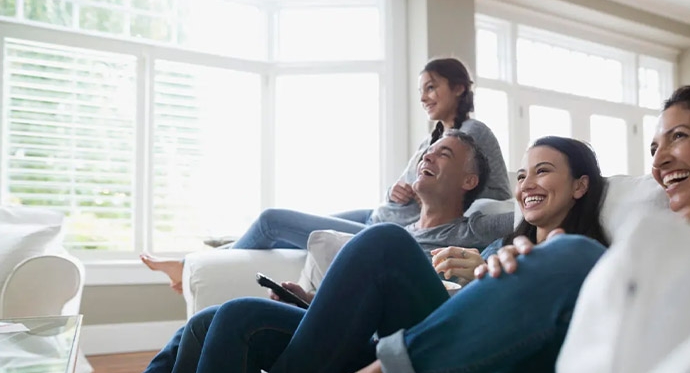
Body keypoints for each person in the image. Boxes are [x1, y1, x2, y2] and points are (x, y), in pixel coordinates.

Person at [224, 80, 690, 373]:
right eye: (653, 147)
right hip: (536, 357)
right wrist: (514, 274)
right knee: (562, 256)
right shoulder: (641, 234)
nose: (661, 158)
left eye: (680, 138)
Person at [138, 136, 607, 373]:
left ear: (581, 185)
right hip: (420, 346)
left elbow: (553, 330)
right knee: (238, 317)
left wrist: (486, 274)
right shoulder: (496, 245)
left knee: (384, 244)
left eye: (543, 172)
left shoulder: (595, 260)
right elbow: (446, 313)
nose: (527, 184)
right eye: (523, 175)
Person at [64, 129, 511, 373]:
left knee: (375, 245)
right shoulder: (398, 220)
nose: (427, 157)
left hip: (412, 359)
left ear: (471, 183)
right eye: (427, 151)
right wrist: (317, 302)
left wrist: (479, 267)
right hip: (358, 341)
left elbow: (478, 305)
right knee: (211, 322)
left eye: (444, 155)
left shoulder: (479, 240)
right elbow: (364, 298)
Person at [141, 57, 511, 293]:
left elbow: (493, 195)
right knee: (279, 227)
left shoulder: (472, 135)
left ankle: (195, 265)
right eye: (421, 90)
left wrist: (438, 196)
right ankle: (224, 246)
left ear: (459, 88)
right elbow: (404, 188)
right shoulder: (431, 139)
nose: (424, 97)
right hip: (377, 214)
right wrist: (400, 190)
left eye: (432, 87)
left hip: (385, 230)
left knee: (272, 221)